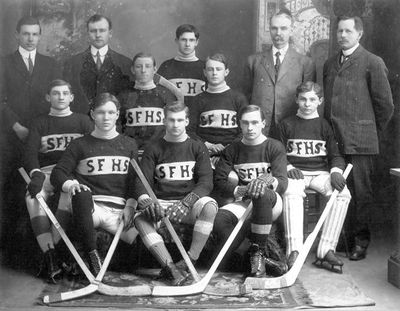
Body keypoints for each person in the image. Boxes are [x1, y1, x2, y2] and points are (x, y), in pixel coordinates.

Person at [323, 16, 394, 261]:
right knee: (340, 192)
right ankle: (342, 239)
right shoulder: (330, 63)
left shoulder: (372, 62)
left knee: (361, 194)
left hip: (361, 141)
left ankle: (360, 242)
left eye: (348, 31)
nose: (343, 35)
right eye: (340, 31)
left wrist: (369, 131)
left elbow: (385, 106)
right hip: (336, 140)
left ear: (359, 33)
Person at [50, 93, 139, 274]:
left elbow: (134, 181)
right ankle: (92, 256)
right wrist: (71, 185)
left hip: (118, 211)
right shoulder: (79, 144)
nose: (106, 117)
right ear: (92, 114)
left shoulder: (129, 144)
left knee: (139, 246)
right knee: (81, 193)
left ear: (117, 114)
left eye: (110, 112)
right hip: (92, 208)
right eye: (100, 112)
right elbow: (57, 173)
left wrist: (130, 205)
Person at [132, 101, 217, 286]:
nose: (175, 124)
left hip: (189, 203)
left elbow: (206, 182)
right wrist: (147, 202)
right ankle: (170, 267)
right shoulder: (153, 148)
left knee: (210, 206)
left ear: (187, 121)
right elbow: (141, 181)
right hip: (162, 202)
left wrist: (187, 201)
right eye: (171, 120)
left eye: (180, 120)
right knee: (139, 219)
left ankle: (189, 261)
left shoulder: (197, 146)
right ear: (164, 121)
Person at [0, 15, 60, 256]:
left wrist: (40, 133)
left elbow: (54, 100)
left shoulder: (50, 64)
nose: (30, 38)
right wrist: (16, 126)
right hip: (8, 136)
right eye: (26, 34)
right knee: (8, 186)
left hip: (41, 136)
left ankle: (37, 248)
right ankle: (7, 246)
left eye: (35, 34)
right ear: (17, 34)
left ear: (40, 35)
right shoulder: (4, 62)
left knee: (38, 187)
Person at [24, 79, 93, 282]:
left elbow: (93, 147)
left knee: (68, 196)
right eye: (55, 93)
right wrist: (35, 173)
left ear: (72, 97)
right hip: (46, 172)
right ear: (48, 97)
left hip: (72, 174)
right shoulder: (39, 122)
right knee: (32, 197)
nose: (60, 97)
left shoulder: (83, 121)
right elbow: (29, 153)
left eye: (65, 93)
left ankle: (51, 253)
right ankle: (51, 255)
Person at [279, 81, 351, 272]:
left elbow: (336, 154)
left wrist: (336, 172)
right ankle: (294, 250)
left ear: (320, 101)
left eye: (312, 99)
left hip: (320, 173)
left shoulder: (325, 125)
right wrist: (287, 167)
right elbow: (276, 153)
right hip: (297, 173)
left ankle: (326, 249)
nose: (307, 104)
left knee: (343, 194)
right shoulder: (286, 124)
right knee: (291, 192)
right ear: (296, 100)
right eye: (303, 99)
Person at [213, 105, 288, 278]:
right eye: (245, 123)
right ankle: (259, 261)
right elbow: (219, 181)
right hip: (245, 201)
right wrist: (243, 189)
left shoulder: (274, 146)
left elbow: (283, 182)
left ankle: (258, 253)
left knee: (260, 192)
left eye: (255, 122)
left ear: (263, 123)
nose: (250, 128)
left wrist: (267, 180)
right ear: (240, 124)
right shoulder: (233, 149)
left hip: (270, 203)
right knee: (220, 219)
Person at [63, 14, 180, 114]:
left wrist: (176, 92)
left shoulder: (124, 62)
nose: (98, 35)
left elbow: (147, 76)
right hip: (83, 121)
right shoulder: (72, 63)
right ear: (87, 33)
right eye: (93, 31)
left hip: (114, 123)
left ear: (110, 33)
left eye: (102, 30)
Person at [242, 10, 315, 139]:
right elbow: (246, 96)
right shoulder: (253, 61)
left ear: (291, 30)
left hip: (291, 127)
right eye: (274, 28)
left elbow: (309, 99)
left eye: (283, 28)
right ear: (269, 30)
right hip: (260, 128)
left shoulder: (305, 63)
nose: (278, 33)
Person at [188, 53, 248, 164]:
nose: (214, 73)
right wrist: (209, 145)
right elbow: (189, 131)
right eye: (210, 69)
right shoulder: (197, 100)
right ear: (205, 72)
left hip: (232, 152)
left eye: (218, 69)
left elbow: (244, 130)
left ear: (226, 72)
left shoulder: (238, 98)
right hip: (204, 153)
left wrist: (229, 147)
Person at [119, 52, 177, 151]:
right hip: (132, 152)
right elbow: (118, 126)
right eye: (139, 66)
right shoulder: (124, 96)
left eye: (148, 66)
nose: (143, 70)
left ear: (154, 69)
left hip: (160, 151)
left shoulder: (166, 95)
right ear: (132, 70)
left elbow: (174, 126)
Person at [157, 24, 206, 110]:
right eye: (183, 40)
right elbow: (158, 97)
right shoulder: (166, 66)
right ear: (176, 41)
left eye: (191, 40)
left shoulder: (206, 67)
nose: (187, 44)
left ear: (196, 42)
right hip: (174, 120)